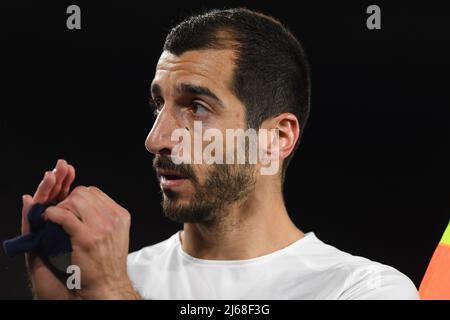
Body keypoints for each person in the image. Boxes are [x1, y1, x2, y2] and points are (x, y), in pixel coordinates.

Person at [21, 8, 419, 299]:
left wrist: (112, 292)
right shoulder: (108, 276)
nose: (156, 138)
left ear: (276, 138)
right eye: (159, 105)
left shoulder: (363, 289)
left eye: (196, 107)